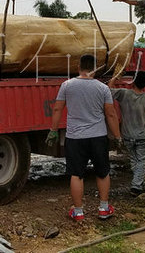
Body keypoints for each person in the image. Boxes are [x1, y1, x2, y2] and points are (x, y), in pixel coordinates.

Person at [45, 54, 121, 221]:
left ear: (79, 67)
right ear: (95, 69)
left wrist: (53, 130)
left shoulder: (67, 85)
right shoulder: (102, 88)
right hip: (98, 136)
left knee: (76, 174)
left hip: (75, 137)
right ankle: (103, 208)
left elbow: (57, 109)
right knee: (102, 172)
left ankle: (78, 212)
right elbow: (110, 113)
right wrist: (117, 136)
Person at [108, 71, 145, 196]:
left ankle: (139, 183)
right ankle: (136, 186)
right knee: (142, 161)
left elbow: (107, 90)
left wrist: (115, 77)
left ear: (133, 81)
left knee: (134, 160)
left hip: (127, 134)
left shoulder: (124, 93)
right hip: (143, 135)